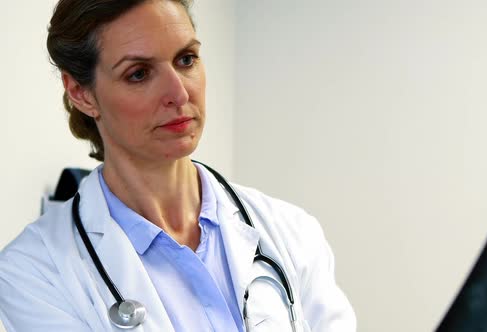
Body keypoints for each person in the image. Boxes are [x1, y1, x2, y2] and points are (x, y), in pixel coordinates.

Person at [0, 0, 356, 331]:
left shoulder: (292, 233)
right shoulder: (34, 271)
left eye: (186, 59)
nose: (179, 93)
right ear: (81, 93)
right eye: (139, 73)